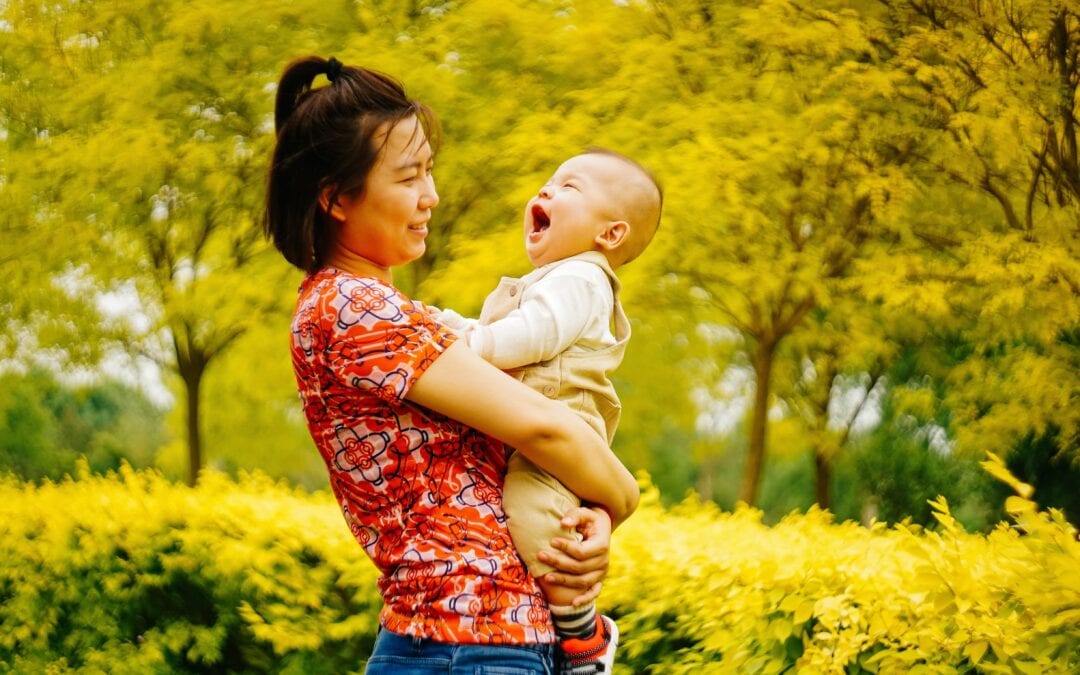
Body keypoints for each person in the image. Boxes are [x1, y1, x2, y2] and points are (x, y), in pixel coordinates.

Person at [263, 55, 640, 675]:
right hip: (463, 643)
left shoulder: (377, 308)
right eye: (409, 178)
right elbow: (547, 429)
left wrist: (592, 516)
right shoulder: (353, 309)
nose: (431, 197)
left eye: (429, 173)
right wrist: (621, 501)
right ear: (335, 198)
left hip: (474, 641)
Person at [434, 148, 662, 673]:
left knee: (539, 525)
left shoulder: (582, 279)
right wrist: (450, 325)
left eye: (569, 188)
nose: (545, 193)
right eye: (547, 182)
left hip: (564, 420)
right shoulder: (558, 279)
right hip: (537, 420)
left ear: (610, 235)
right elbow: (508, 333)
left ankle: (584, 635)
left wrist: (467, 344)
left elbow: (531, 337)